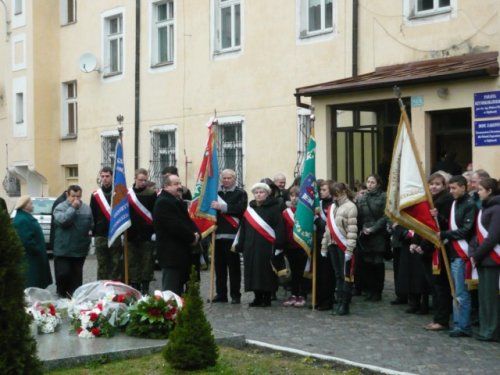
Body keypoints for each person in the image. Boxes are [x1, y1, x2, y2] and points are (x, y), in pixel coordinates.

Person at [235, 182, 285, 307]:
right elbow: (243, 228)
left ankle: (267, 298)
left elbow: (279, 227)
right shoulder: (250, 209)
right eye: (256, 192)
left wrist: (279, 243)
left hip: (266, 246)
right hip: (250, 246)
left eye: (261, 192)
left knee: (266, 271)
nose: (258, 195)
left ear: (267, 194)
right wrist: (240, 243)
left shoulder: (274, 208)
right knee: (252, 271)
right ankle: (257, 297)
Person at [438, 175, 476, 338]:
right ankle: (458, 322)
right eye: (450, 188)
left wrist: (445, 234)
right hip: (453, 251)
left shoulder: (469, 204)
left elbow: (466, 230)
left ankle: (463, 325)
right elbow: (449, 223)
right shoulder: (455, 203)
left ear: (463, 187)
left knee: (461, 292)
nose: (451, 191)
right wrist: (437, 216)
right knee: (456, 292)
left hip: (462, 253)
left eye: (454, 188)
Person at [153, 174, 200, 295]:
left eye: (180, 183)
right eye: (176, 184)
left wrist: (197, 234)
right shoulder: (164, 202)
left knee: (182, 292)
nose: (180, 186)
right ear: (166, 186)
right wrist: (192, 238)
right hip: (171, 255)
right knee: (171, 294)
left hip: (181, 254)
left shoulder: (176, 200)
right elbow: (175, 226)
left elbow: (187, 221)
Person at [421, 173, 454, 331]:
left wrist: (437, 215)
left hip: (441, 248)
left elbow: (447, 223)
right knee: (435, 286)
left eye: (437, 184)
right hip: (430, 247)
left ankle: (442, 319)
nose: (433, 187)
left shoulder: (445, 200)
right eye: (431, 184)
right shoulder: (431, 200)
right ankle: (438, 317)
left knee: (441, 286)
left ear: (444, 185)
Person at [210, 169, 248, 304]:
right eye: (224, 178)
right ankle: (221, 294)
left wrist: (221, 207)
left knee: (234, 268)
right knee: (219, 268)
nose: (226, 180)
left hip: (232, 236)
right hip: (217, 234)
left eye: (229, 178)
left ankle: (235, 294)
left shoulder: (240, 193)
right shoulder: (215, 193)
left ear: (234, 179)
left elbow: (240, 209)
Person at [469, 178, 500, 342]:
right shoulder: (484, 208)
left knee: (491, 298)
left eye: (480, 189)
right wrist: (472, 251)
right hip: (483, 259)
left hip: (492, 259)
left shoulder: (497, 209)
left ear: (489, 191)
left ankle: (492, 331)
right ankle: (485, 328)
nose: (477, 191)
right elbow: (476, 235)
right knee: (484, 297)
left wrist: (477, 254)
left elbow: (493, 237)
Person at [321, 183, 358, 315]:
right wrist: (324, 246)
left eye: (337, 192)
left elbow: (352, 230)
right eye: (333, 193)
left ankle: (345, 304)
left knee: (346, 276)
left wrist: (349, 249)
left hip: (344, 245)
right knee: (338, 275)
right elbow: (327, 228)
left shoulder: (351, 206)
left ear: (343, 191)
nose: (335, 196)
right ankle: (340, 301)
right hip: (332, 245)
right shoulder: (331, 208)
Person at [53, 185, 93, 297]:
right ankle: (61, 294)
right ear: (67, 195)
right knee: (63, 274)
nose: (76, 199)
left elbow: (91, 225)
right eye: (73, 196)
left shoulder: (86, 208)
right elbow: (63, 221)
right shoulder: (60, 207)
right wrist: (73, 208)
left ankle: (74, 300)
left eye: (78, 196)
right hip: (63, 250)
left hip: (79, 250)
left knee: (76, 279)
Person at [356, 174, 388, 302]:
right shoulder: (363, 197)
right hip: (365, 233)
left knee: (377, 263)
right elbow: (358, 214)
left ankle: (377, 291)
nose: (369, 184)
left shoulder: (383, 197)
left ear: (378, 184)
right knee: (367, 263)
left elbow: (385, 215)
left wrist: (373, 228)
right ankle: (369, 289)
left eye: (372, 182)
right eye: (368, 182)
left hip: (378, 233)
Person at [90, 166, 123, 281]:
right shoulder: (95, 195)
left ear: (112, 177)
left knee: (116, 264)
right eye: (102, 176)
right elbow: (92, 215)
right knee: (102, 265)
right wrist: (93, 234)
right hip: (100, 234)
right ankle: (102, 288)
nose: (105, 179)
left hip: (115, 233)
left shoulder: (119, 193)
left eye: (107, 176)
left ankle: (115, 288)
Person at [127, 168, 157, 295]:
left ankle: (145, 286)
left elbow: (154, 213)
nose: (143, 183)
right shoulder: (127, 193)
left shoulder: (151, 194)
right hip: (131, 232)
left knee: (147, 261)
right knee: (132, 261)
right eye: (140, 180)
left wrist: (154, 230)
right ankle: (134, 284)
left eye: (145, 180)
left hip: (146, 233)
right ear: (135, 179)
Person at [12, 195, 52, 289]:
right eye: (30, 203)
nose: (32, 205)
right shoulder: (22, 219)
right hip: (31, 259)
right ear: (25, 205)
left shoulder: (25, 217)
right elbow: (26, 240)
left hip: (34, 257)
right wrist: (38, 250)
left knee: (37, 284)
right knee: (32, 284)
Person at [282, 186, 308, 307]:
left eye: (297, 196)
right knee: (293, 271)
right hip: (290, 245)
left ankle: (302, 294)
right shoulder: (286, 212)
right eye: (292, 196)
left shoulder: (306, 212)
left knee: (302, 271)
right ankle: (293, 294)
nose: (294, 198)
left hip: (302, 245)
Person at [314, 179, 336, 310]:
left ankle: (328, 300)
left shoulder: (334, 205)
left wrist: (317, 220)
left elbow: (330, 225)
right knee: (319, 272)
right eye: (320, 190)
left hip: (330, 242)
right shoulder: (319, 204)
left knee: (328, 273)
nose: (321, 192)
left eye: (324, 190)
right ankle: (319, 298)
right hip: (318, 241)